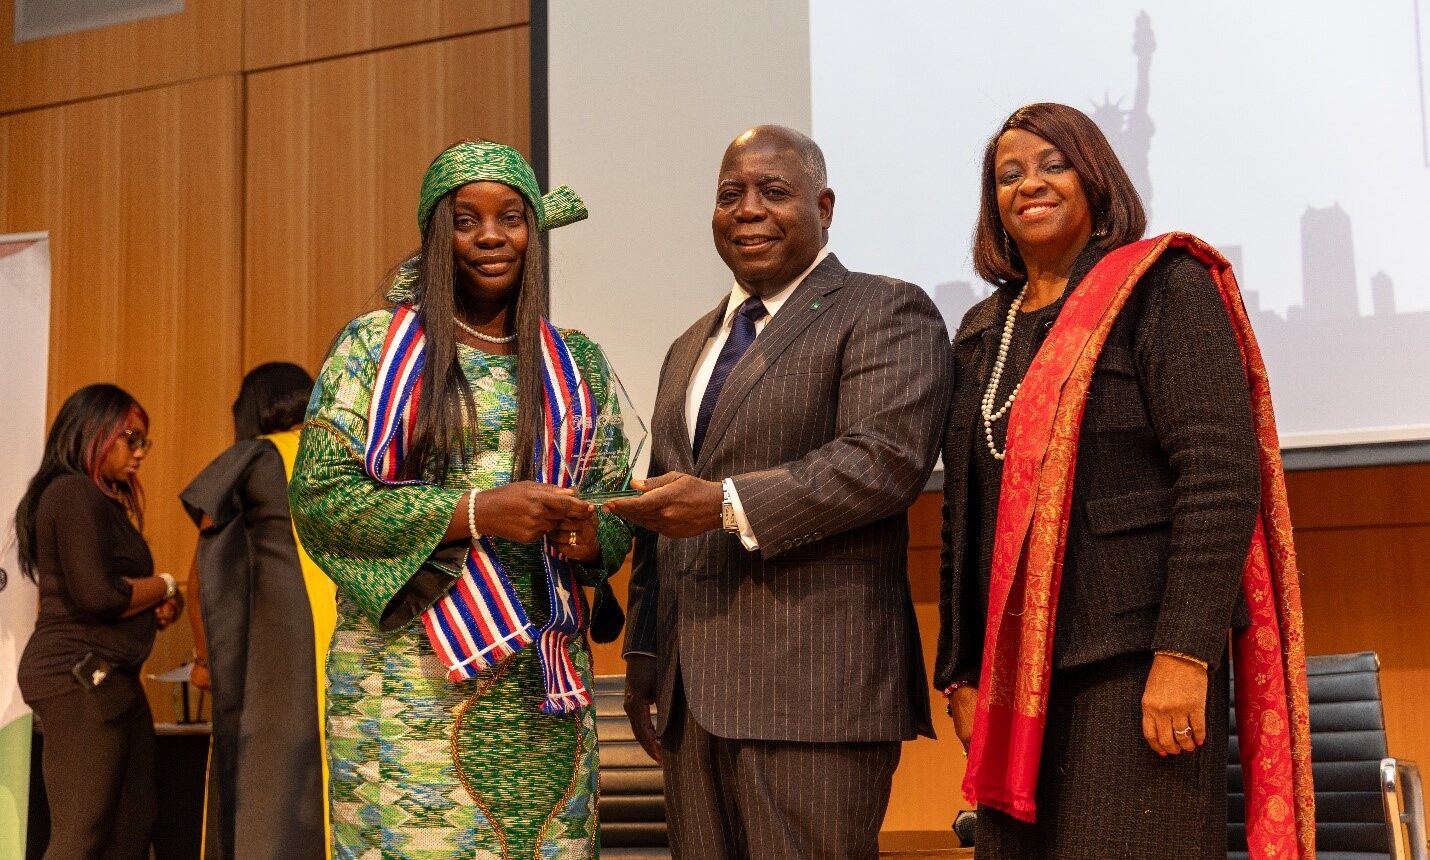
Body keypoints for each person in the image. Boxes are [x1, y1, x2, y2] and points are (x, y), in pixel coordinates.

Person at [935, 103, 1314, 859]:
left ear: (1096, 179)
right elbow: (964, 515)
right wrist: (963, 670)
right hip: (1021, 682)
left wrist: (1184, 653)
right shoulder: (983, 328)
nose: (1029, 185)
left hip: (1137, 664)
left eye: (1053, 165)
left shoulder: (1164, 289)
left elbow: (1217, 475)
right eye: (1009, 175)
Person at [606, 125, 953, 859]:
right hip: (691, 698)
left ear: (825, 206)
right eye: (730, 195)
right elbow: (666, 505)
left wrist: (728, 503)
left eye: (774, 191)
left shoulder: (885, 309)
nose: (748, 210)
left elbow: (885, 461)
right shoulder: (689, 344)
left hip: (815, 695)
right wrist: (643, 654)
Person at [288, 140, 634, 858]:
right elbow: (321, 498)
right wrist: (479, 512)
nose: (489, 236)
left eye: (510, 217)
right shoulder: (373, 349)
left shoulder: (576, 361)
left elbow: (613, 502)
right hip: (407, 680)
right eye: (466, 219)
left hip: (544, 680)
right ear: (435, 232)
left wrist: (595, 536)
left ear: (532, 234)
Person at [15, 383, 183, 859]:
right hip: (79, 679)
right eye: (131, 439)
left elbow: (112, 591)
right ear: (94, 432)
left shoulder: (98, 500)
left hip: (113, 679)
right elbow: (97, 596)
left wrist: (155, 602)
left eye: (142, 442)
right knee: (82, 832)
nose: (139, 453)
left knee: (133, 826)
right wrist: (166, 584)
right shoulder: (71, 493)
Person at [180, 361, 331, 859]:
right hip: (346, 640)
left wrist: (204, 658)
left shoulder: (258, 455)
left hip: (280, 645)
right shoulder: (337, 458)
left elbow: (202, 562)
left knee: (267, 776)